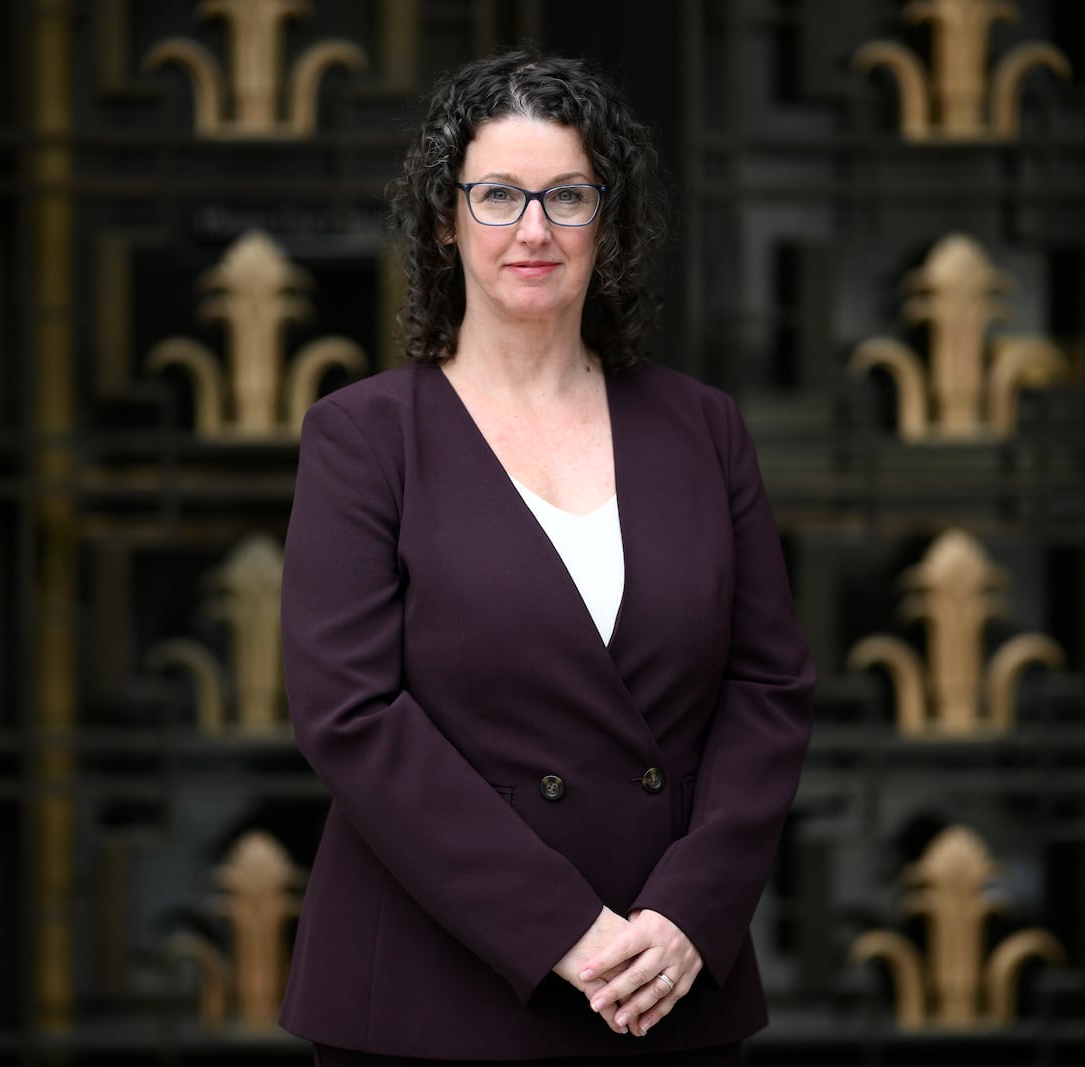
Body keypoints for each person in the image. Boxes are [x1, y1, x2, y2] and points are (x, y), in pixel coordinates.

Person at [278, 49, 815, 1066]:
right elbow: (347, 713)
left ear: (604, 220)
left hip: (666, 986)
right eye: (497, 196)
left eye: (566, 195)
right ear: (445, 220)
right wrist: (568, 929)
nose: (533, 228)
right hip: (435, 995)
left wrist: (688, 913)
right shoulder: (364, 436)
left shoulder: (702, 426)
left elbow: (768, 684)